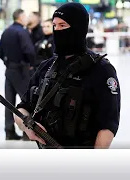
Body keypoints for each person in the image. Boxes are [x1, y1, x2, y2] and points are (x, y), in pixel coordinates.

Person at [14, 3, 120, 149]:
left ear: (79, 28)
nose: (57, 30)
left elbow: (108, 125)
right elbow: (21, 109)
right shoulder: (47, 67)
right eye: (54, 25)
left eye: (63, 26)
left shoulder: (101, 70)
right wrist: (27, 126)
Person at [0, 9, 36, 140]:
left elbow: (0, 52)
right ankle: (27, 132)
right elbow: (29, 50)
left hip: (9, 70)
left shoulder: (6, 31)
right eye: (25, 16)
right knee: (26, 101)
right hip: (22, 70)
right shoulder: (22, 32)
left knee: (9, 101)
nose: (26, 19)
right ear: (20, 17)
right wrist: (31, 64)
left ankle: (9, 131)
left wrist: (8, 63)